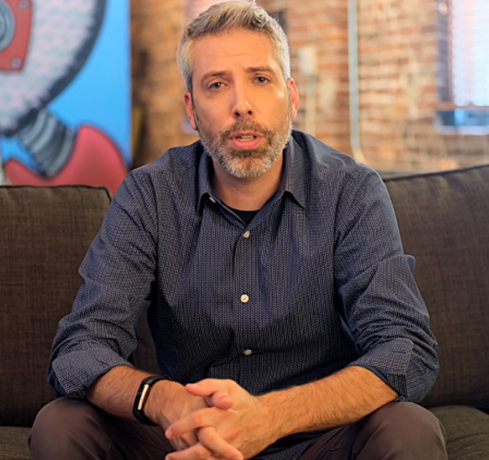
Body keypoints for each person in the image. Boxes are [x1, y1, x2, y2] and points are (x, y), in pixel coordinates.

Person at [29, 2, 447, 459]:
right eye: (216, 85)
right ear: (192, 109)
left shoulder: (350, 191)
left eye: (260, 79)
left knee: (408, 428)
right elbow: (80, 348)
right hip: (186, 436)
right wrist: (167, 401)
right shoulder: (150, 195)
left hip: (317, 440)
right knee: (63, 423)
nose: (241, 105)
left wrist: (270, 417)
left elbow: (405, 349)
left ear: (291, 96)